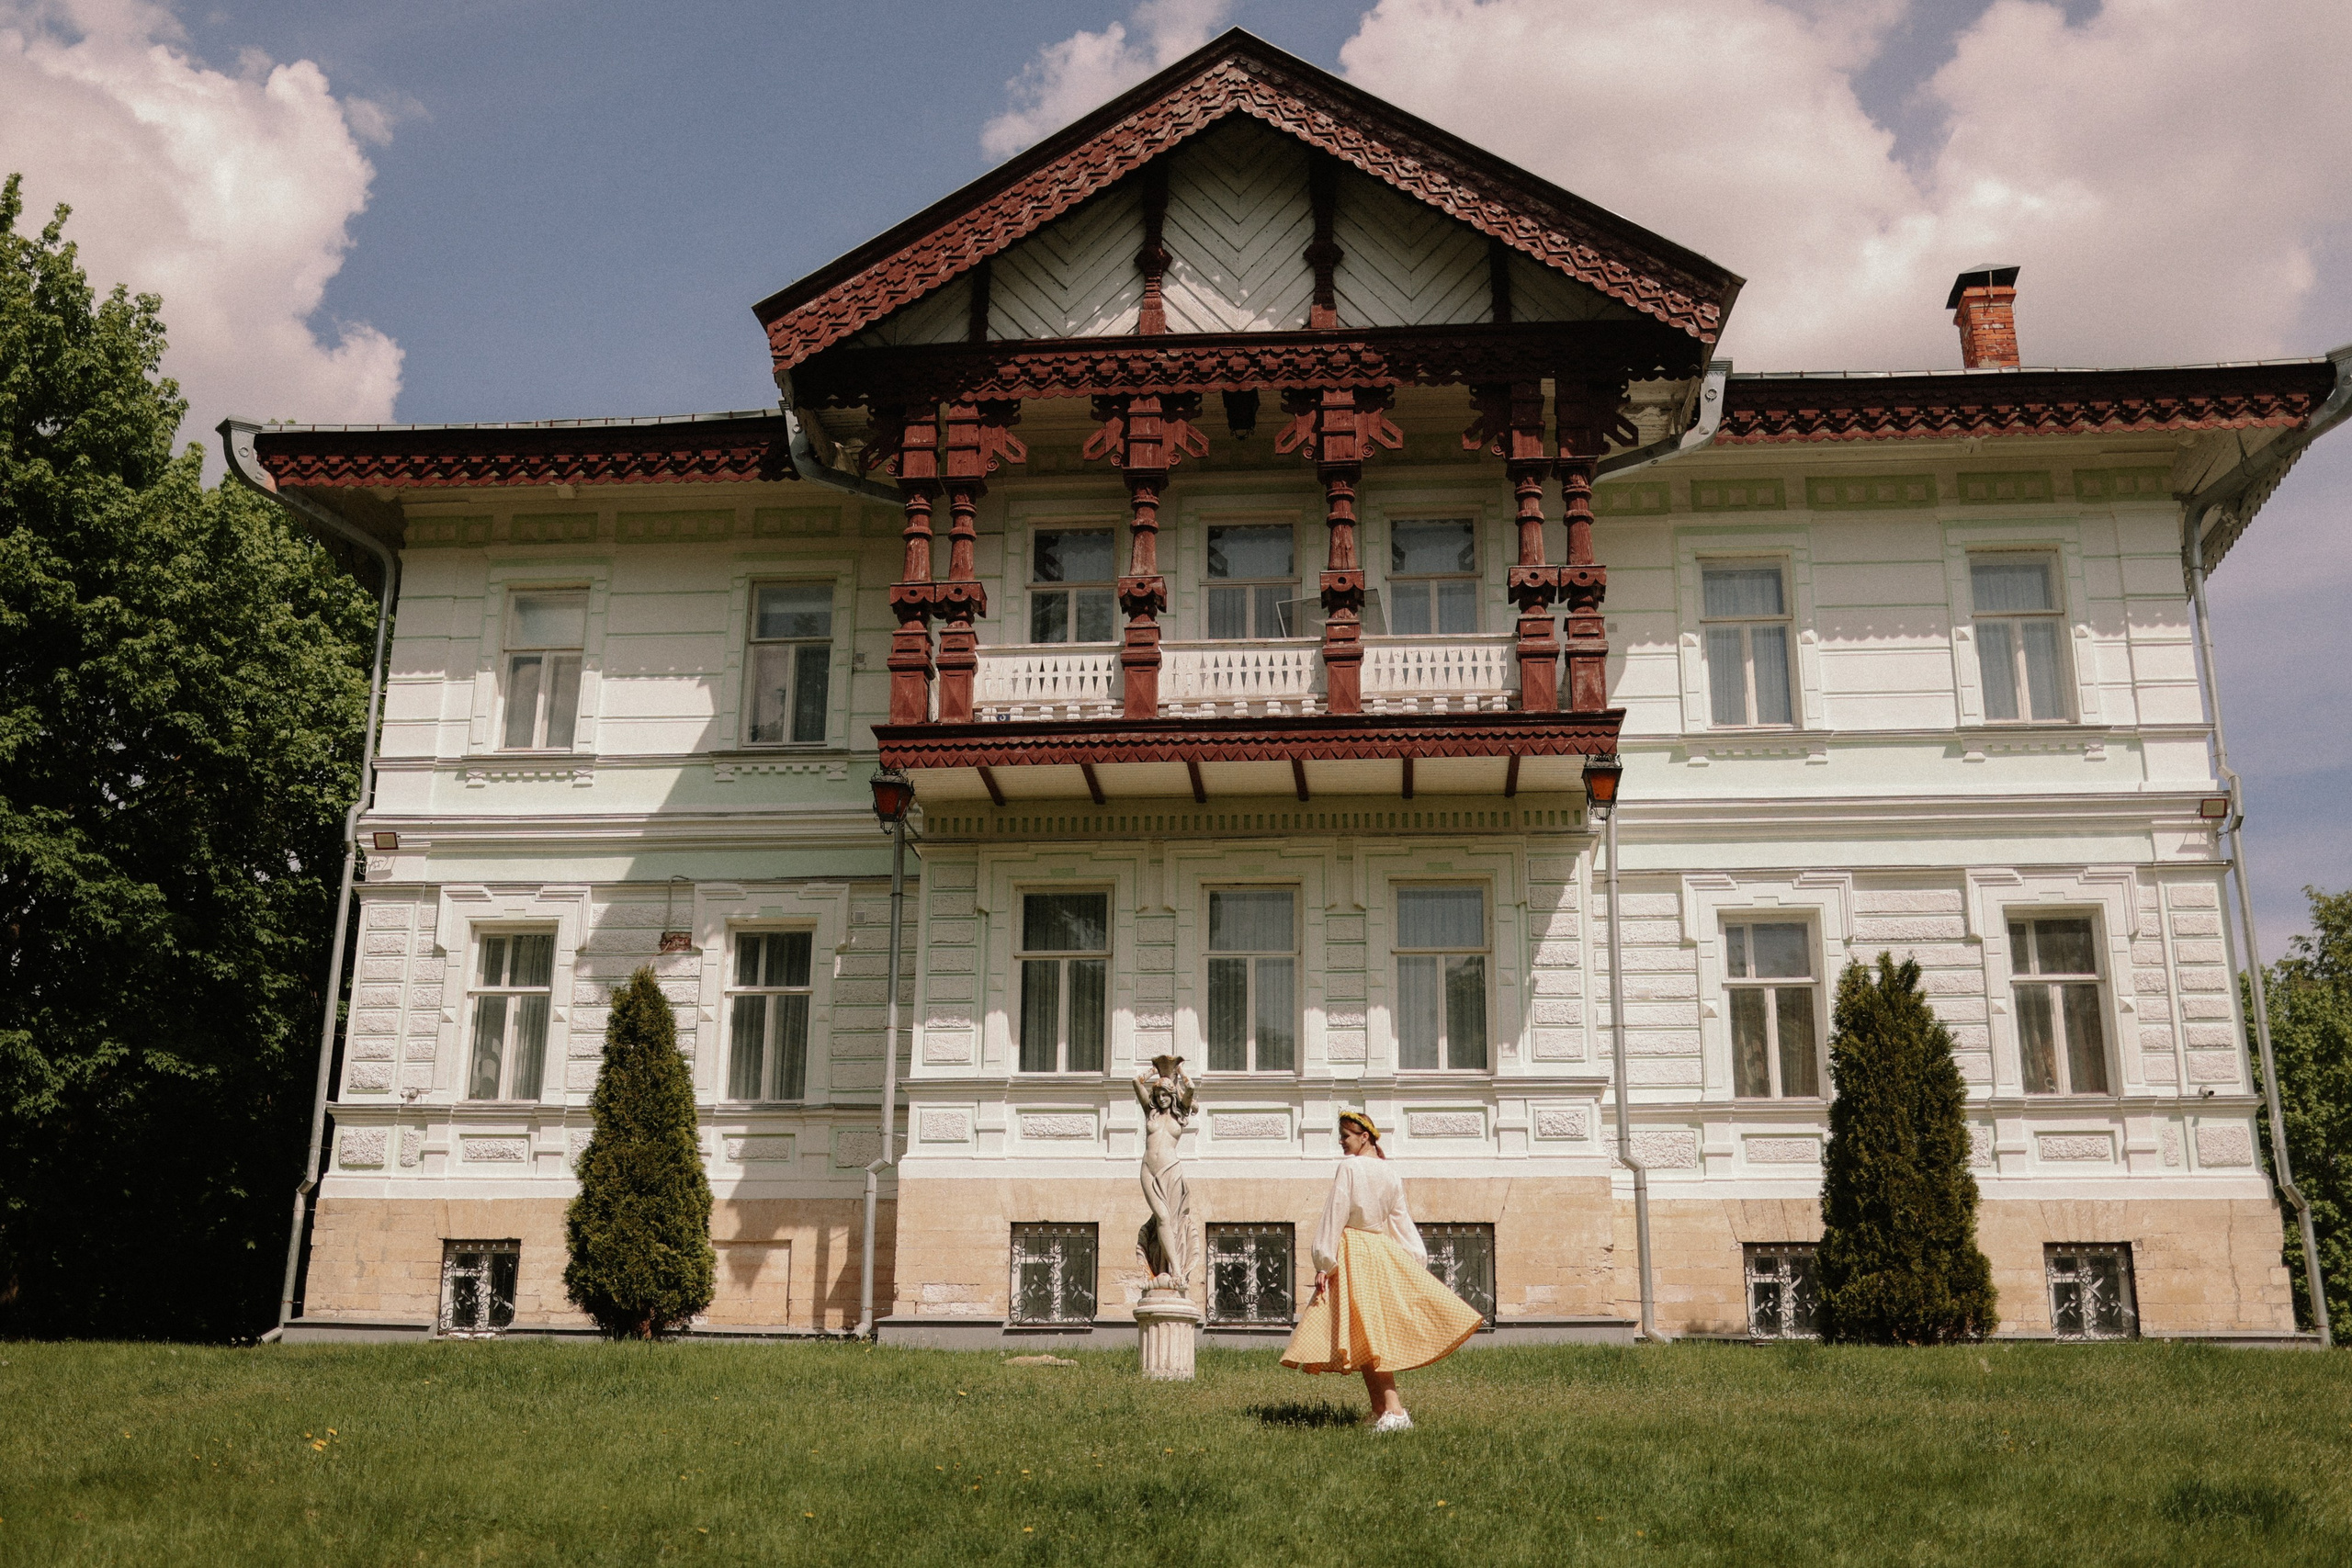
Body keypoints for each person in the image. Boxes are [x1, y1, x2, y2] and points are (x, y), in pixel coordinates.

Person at [1280, 1111, 1483, 1431]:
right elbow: (1401, 1221)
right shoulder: (1390, 1173)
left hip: (1354, 1251)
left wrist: (1324, 1261)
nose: (1341, 1142)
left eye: (1345, 1136)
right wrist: (1413, 1258)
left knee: (1371, 1337)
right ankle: (1379, 1409)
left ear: (1365, 1137)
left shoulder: (1350, 1167)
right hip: (1378, 1251)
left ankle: (1395, 1411)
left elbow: (1336, 1212)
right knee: (1364, 1336)